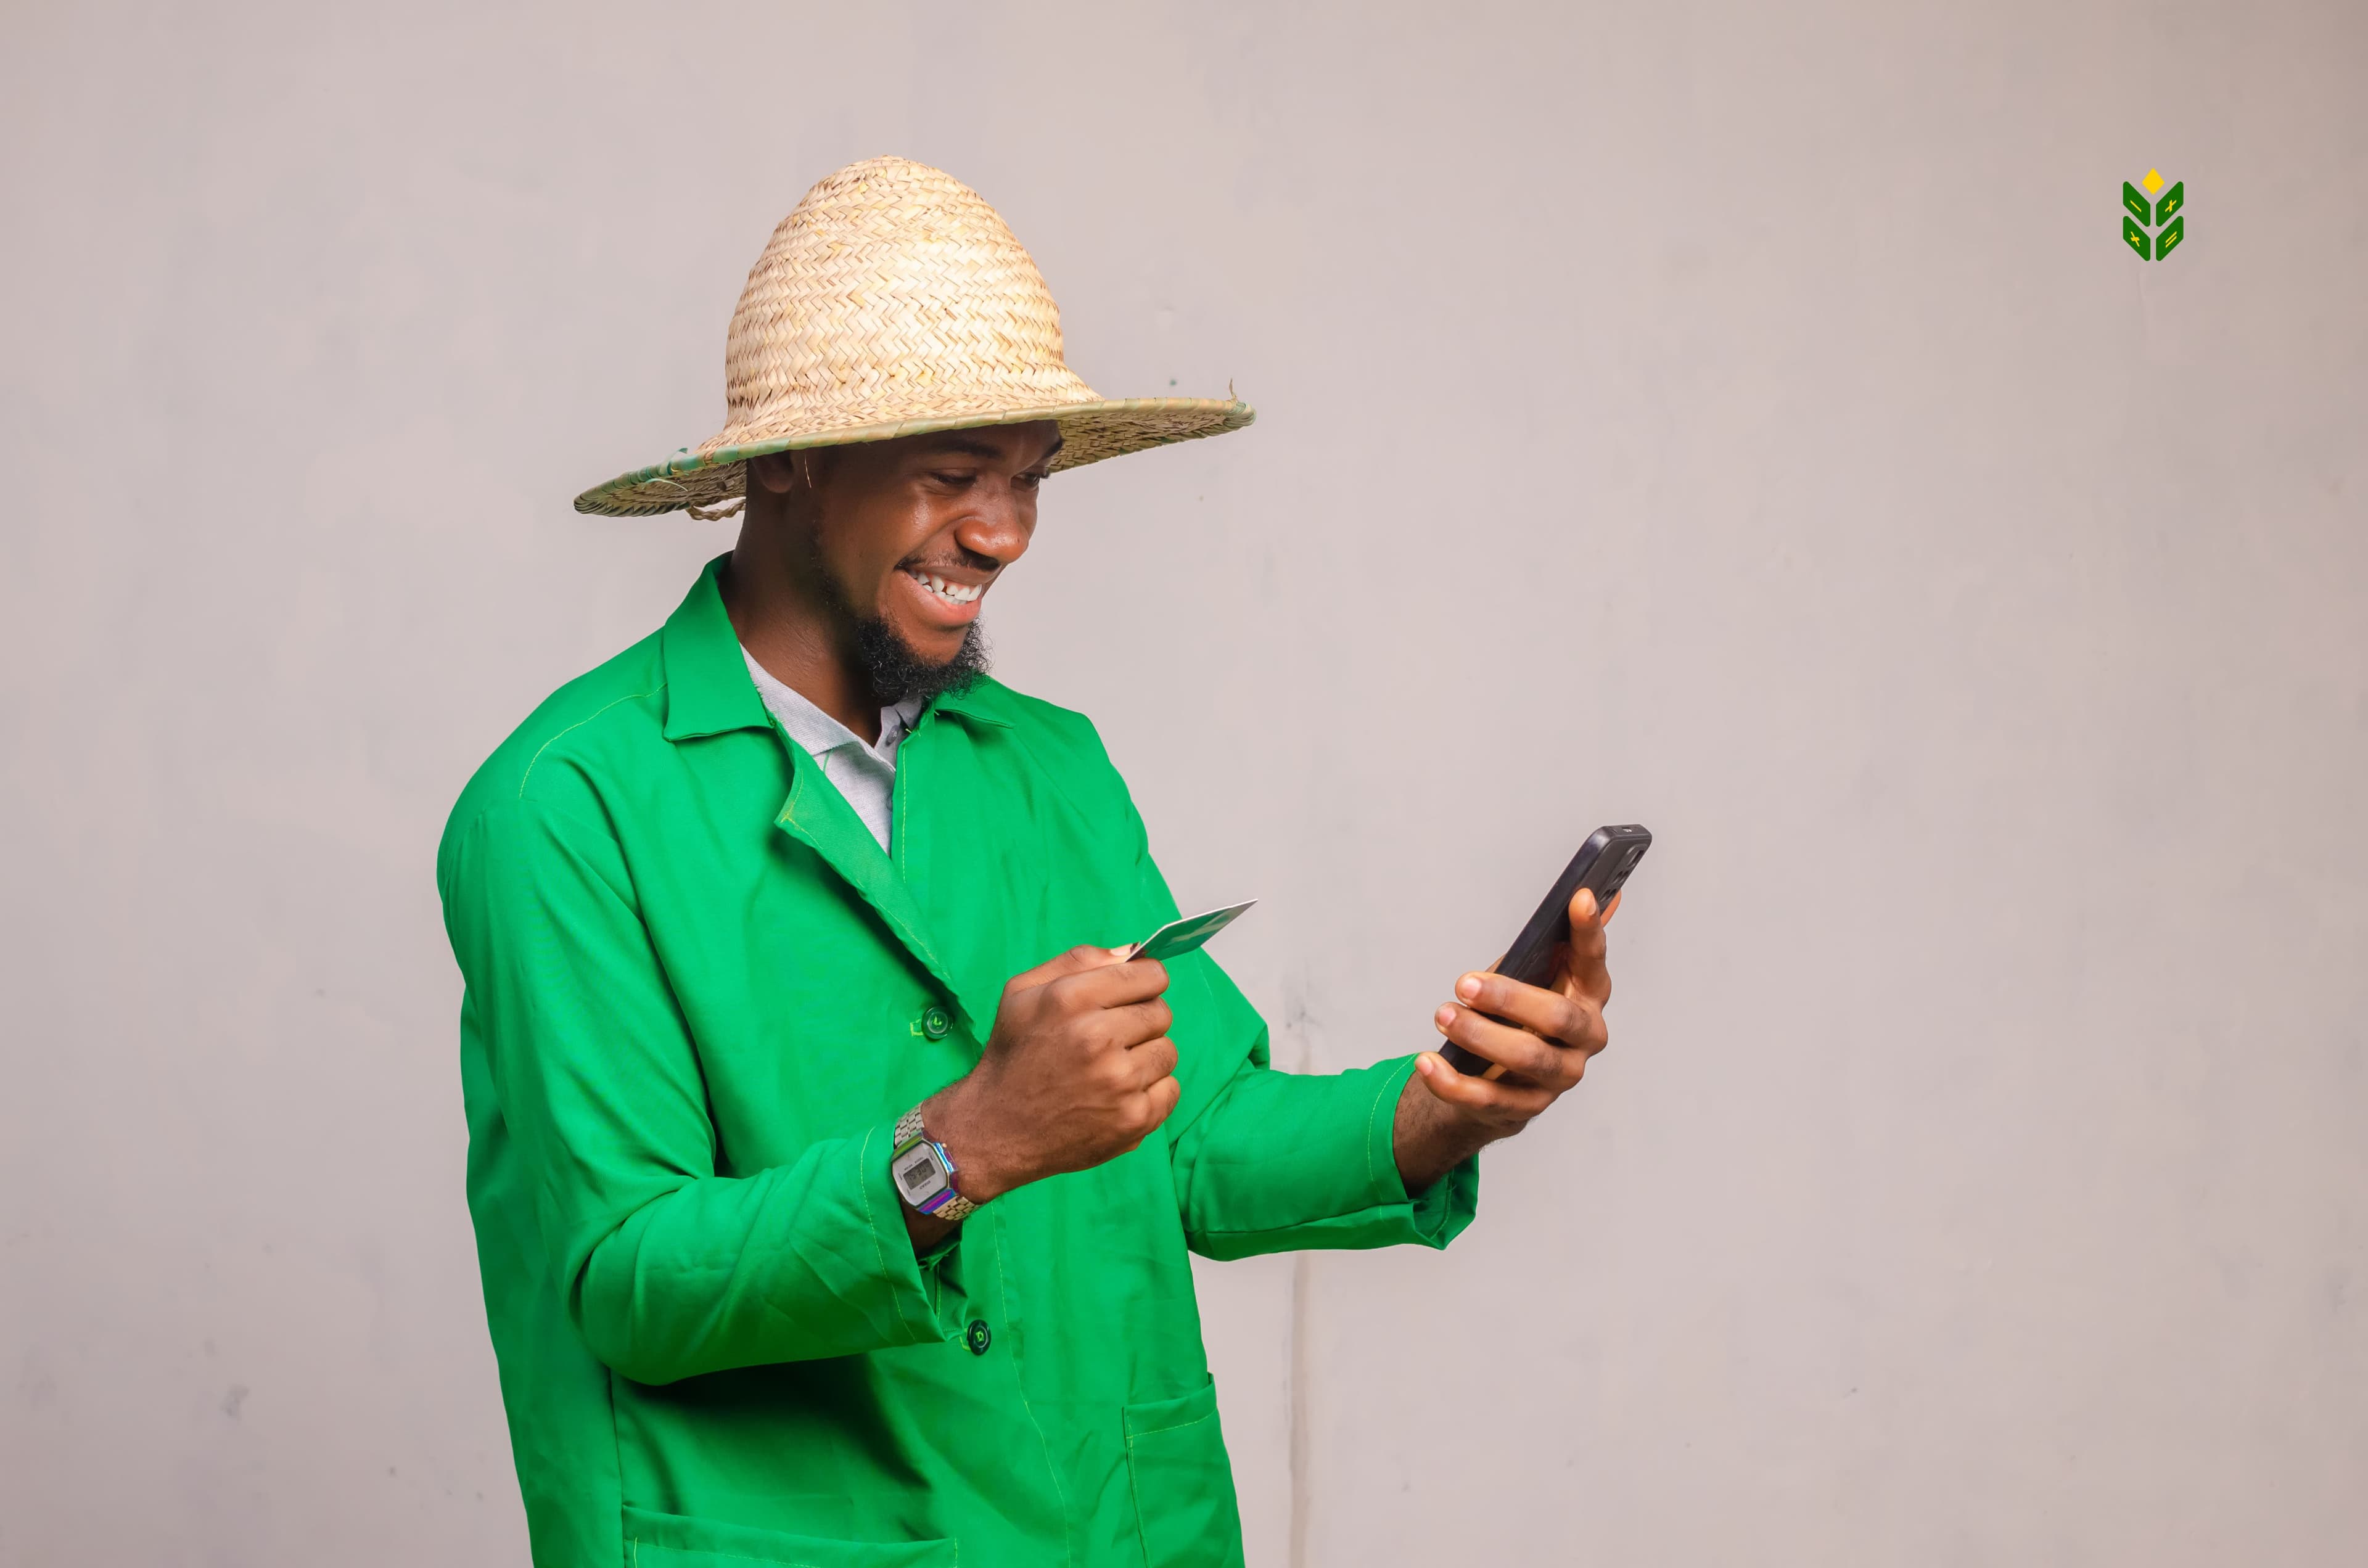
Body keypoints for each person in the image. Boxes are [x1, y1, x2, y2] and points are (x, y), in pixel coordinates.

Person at [437, 156, 1617, 1568]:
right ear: (796, 462)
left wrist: (1456, 1105)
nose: (1001, 534)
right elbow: (625, 1282)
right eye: (953, 476)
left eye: (1026, 478)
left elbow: (1193, 1141)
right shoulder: (567, 806)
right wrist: (966, 1148)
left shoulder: (1049, 765)